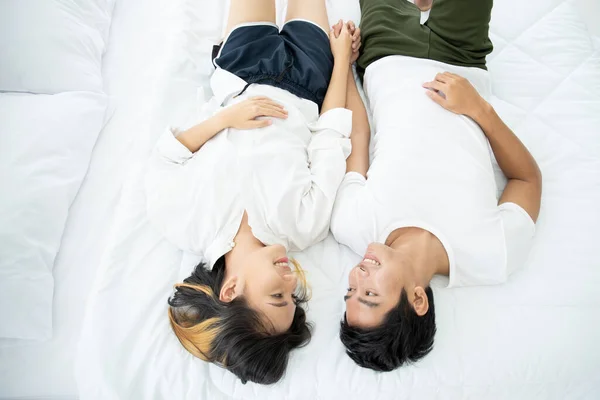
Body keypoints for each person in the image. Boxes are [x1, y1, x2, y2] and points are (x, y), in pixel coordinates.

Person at [144, 0, 361, 385]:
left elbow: (167, 155)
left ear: (230, 290)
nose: (291, 284)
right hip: (310, 79)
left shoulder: (182, 221)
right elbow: (329, 136)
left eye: (277, 297)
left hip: (240, 71)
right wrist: (342, 60)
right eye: (292, 299)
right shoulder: (304, 227)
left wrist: (224, 119)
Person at [331, 0, 543, 371]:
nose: (356, 275)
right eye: (369, 293)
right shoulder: (493, 254)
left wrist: (345, 66)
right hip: (459, 60)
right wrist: (479, 109)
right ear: (418, 300)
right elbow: (527, 178)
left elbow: (359, 133)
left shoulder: (352, 224)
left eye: (350, 289)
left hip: (384, 54)